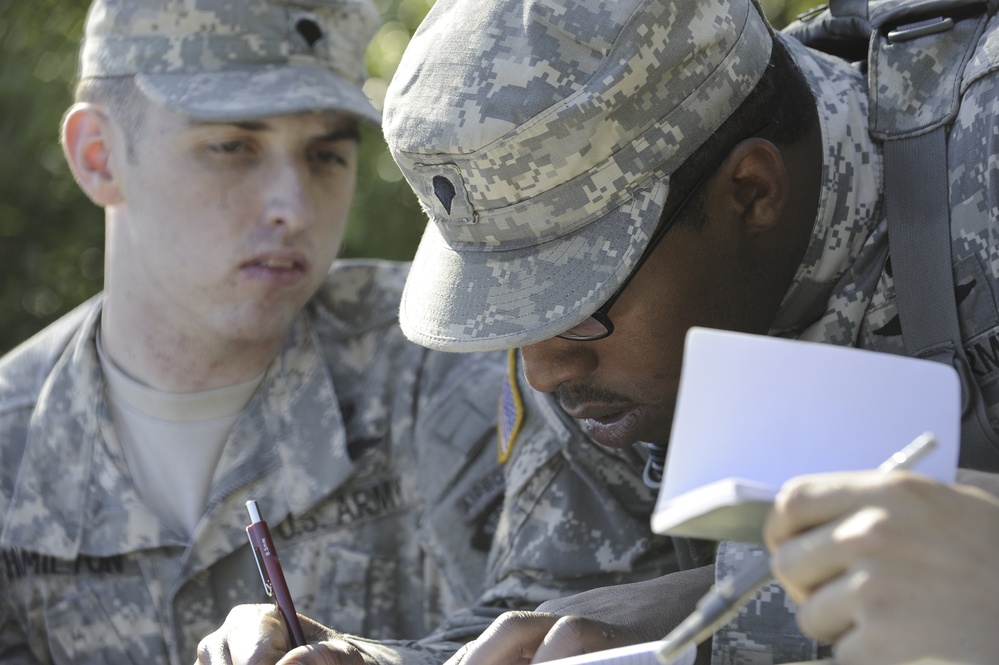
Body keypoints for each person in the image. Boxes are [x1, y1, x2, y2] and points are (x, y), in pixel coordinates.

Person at [193, 0, 999, 662]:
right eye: (513, 310)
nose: (540, 366)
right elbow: (562, 619)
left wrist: (727, 610)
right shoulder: (603, 359)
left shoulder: (984, 163)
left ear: (752, 192)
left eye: (569, 298)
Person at [0, 0, 680, 663]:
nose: (292, 208)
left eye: (326, 155)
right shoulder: (11, 444)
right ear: (98, 155)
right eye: (233, 146)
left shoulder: (459, 357)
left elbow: (568, 618)